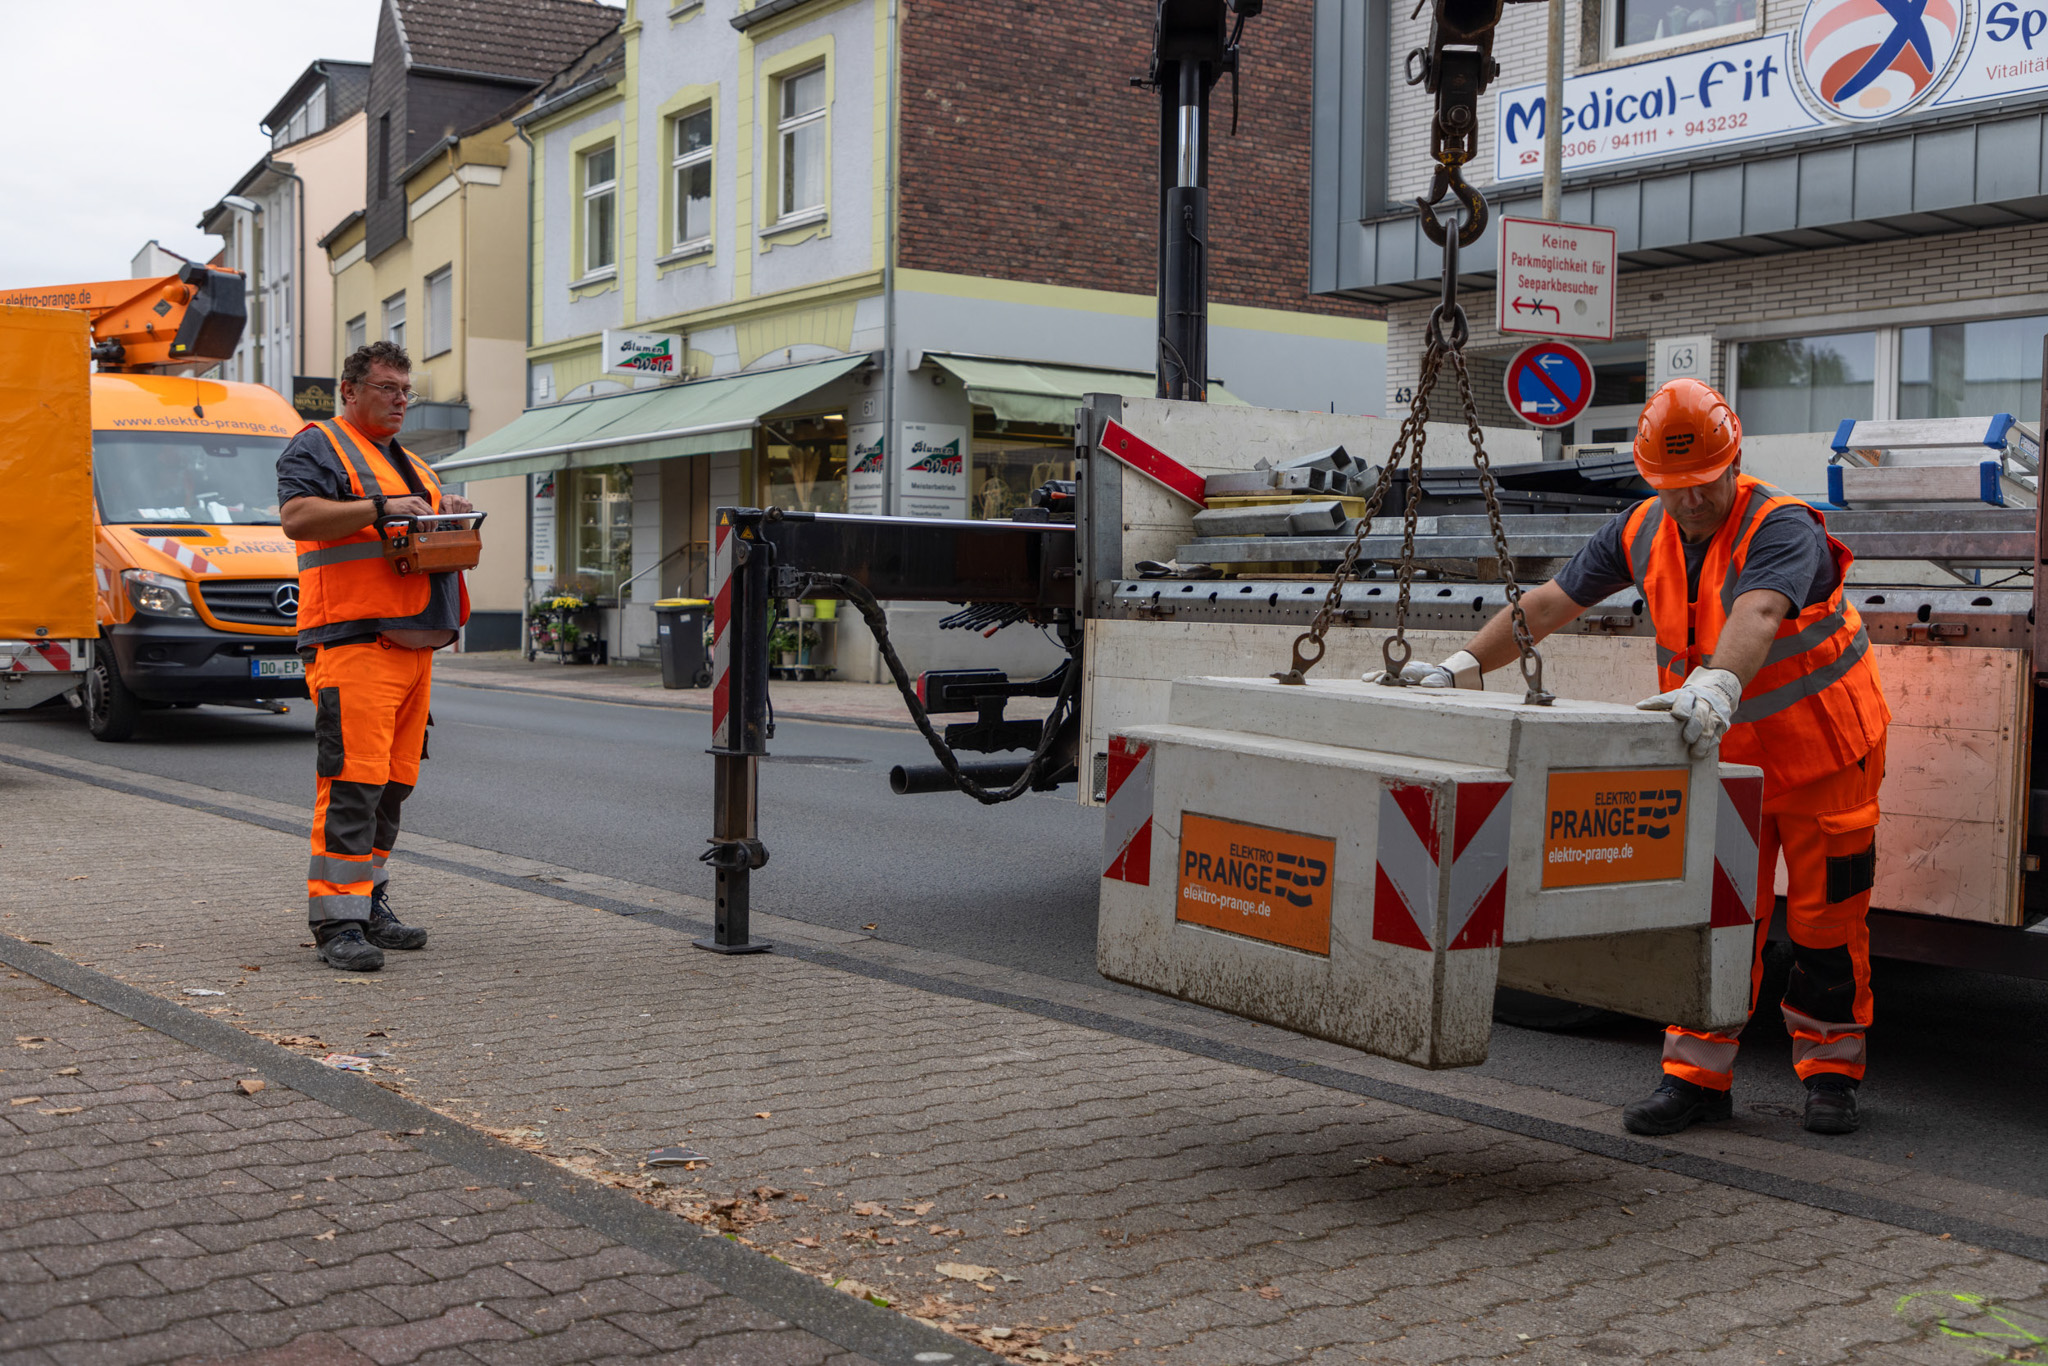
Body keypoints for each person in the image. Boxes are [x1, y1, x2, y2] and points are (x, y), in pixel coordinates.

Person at [1393, 379, 1889, 1136]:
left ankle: (1830, 1076)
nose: (1688, 501)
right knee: (1713, 919)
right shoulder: (1639, 528)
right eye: (1670, 487)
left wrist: (1717, 683)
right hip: (1718, 752)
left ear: (1733, 460)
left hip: (1826, 757)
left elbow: (1758, 610)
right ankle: (1695, 1079)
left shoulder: (1783, 526)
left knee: (1826, 924)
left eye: (1701, 484)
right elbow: (1551, 603)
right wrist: (1459, 666)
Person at [277, 341, 475, 971]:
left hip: (414, 646)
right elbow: (298, 518)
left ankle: (367, 903)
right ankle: (337, 923)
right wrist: (381, 508)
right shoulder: (318, 446)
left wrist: (453, 520)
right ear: (350, 390)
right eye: (387, 387)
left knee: (392, 785)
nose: (399, 400)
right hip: (354, 644)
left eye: (405, 390)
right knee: (352, 784)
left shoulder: (415, 465)